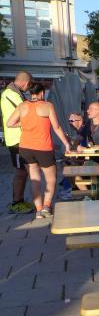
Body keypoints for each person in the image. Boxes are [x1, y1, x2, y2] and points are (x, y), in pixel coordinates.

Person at [6, 83, 72, 218]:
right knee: (51, 179)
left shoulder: (22, 106)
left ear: (31, 93)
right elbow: (57, 127)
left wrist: (25, 122)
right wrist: (66, 144)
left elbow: (9, 123)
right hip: (43, 148)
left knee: (35, 180)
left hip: (25, 148)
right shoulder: (48, 106)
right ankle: (46, 207)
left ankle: (38, 210)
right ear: (41, 93)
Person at [1, 71, 35, 214]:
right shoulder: (12, 94)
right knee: (21, 172)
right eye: (30, 85)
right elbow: (27, 113)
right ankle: (16, 203)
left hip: (18, 139)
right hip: (16, 140)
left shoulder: (13, 93)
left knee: (23, 172)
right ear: (26, 82)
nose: (29, 88)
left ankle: (19, 200)